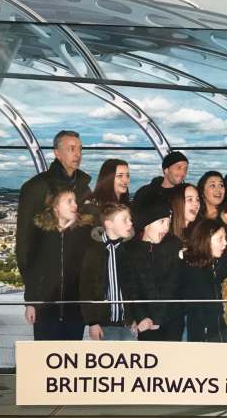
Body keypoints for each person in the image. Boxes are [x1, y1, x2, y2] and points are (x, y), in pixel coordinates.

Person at [16, 130, 91, 302]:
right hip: (45, 292)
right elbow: (24, 243)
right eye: (71, 149)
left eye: (80, 149)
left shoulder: (84, 188)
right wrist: (32, 295)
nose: (78, 154)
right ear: (57, 153)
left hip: (76, 291)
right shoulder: (35, 188)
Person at [21, 187, 92, 340]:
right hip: (45, 310)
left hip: (75, 311)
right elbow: (32, 272)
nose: (75, 205)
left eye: (75, 201)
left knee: (70, 358)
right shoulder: (40, 234)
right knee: (44, 357)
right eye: (69, 201)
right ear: (55, 206)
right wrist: (30, 303)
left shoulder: (84, 232)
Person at [122, 199, 185, 341]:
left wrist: (158, 319)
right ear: (146, 223)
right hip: (145, 322)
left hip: (171, 318)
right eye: (161, 222)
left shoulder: (174, 245)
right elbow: (131, 287)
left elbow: (173, 284)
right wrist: (141, 317)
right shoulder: (130, 249)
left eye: (169, 222)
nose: (166, 227)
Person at [79, 203, 136, 341]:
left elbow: (133, 286)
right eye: (125, 220)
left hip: (127, 323)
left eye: (130, 219)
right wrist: (92, 322)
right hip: (103, 325)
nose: (130, 223)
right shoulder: (92, 251)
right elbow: (85, 289)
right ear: (109, 224)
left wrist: (134, 317)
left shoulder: (129, 250)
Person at [182, 218, 227, 342]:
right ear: (205, 240)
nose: (225, 243)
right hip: (201, 335)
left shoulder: (224, 263)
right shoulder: (189, 268)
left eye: (225, 238)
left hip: (225, 332)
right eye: (220, 239)